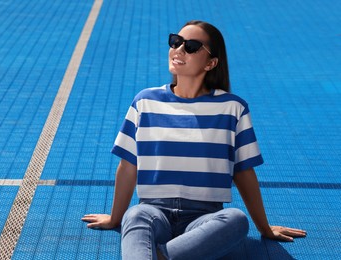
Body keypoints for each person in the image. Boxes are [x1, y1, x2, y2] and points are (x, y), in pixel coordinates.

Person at [82, 20, 306, 259]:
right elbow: (128, 165)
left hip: (204, 219)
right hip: (153, 211)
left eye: (191, 46)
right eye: (175, 42)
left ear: (211, 63)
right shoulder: (144, 102)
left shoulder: (233, 108)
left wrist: (265, 228)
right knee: (135, 216)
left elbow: (244, 172)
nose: (178, 50)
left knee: (236, 220)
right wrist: (115, 218)